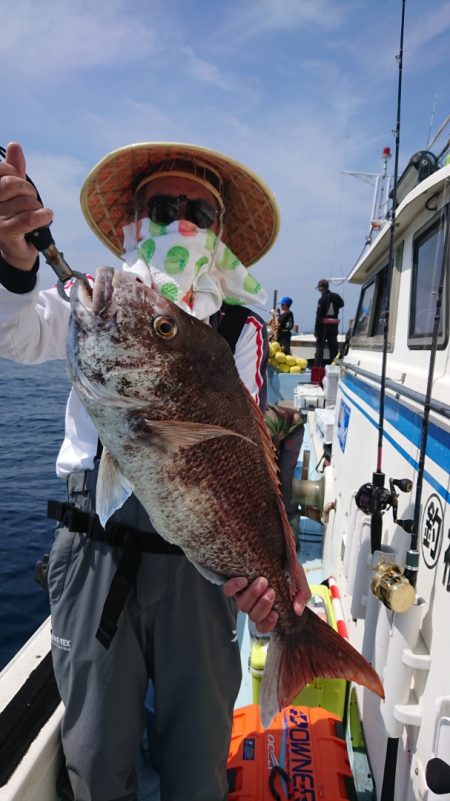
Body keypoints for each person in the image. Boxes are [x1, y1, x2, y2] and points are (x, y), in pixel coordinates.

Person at [0, 141, 309, 801]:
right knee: (94, 755)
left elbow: (250, 460)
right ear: (131, 224)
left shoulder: (237, 324)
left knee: (198, 760)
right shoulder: (101, 301)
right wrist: (15, 259)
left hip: (199, 570)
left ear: (221, 231)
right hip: (93, 550)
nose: (182, 222)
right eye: (163, 206)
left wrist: (279, 573)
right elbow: (18, 333)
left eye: (199, 209)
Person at [314, 278, 344, 366]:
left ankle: (318, 368)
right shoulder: (336, 296)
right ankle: (334, 367)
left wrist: (316, 330)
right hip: (334, 326)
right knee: (333, 349)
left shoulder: (322, 299)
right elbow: (342, 304)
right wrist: (336, 307)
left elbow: (319, 316)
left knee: (320, 349)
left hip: (323, 327)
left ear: (320, 288)